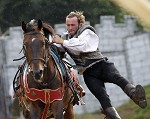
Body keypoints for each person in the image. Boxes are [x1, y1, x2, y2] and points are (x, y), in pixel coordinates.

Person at [52, 11, 147, 119]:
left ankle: (135, 95)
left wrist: (62, 42)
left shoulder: (87, 31)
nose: (70, 28)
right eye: (68, 25)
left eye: (73, 25)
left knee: (118, 78)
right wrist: (49, 43)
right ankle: (113, 116)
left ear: (80, 24)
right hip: (88, 74)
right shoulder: (66, 38)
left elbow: (82, 45)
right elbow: (56, 48)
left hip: (101, 65)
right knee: (103, 98)